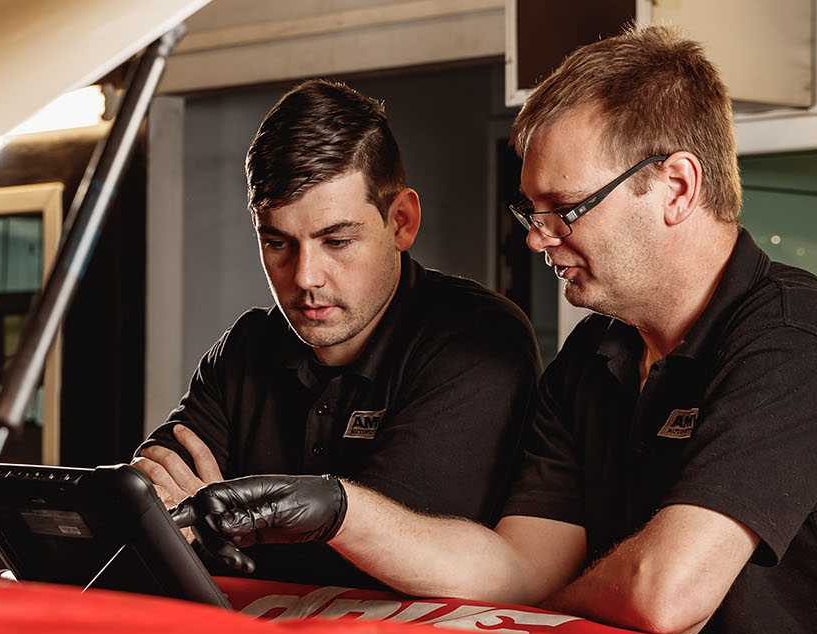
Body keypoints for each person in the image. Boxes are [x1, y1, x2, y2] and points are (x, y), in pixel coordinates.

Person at [172, 26, 817, 634]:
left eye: (566, 207)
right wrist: (336, 504)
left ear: (676, 188)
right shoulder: (592, 361)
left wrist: (556, 602)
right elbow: (513, 568)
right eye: (532, 212)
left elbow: (664, 595)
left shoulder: (797, 342)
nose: (539, 240)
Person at [133, 80, 541, 590]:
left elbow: (389, 560)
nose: (305, 277)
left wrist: (223, 528)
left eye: (338, 240)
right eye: (278, 242)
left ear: (402, 222)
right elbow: (148, 505)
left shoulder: (476, 338)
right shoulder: (245, 346)